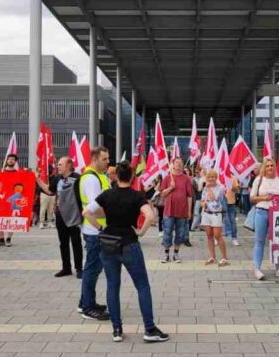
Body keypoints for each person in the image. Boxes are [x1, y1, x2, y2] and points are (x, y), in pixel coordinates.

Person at [83, 161, 169, 343]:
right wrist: (141, 232)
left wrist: (100, 227)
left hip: (108, 244)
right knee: (142, 286)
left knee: (112, 286)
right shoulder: (137, 196)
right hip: (129, 243)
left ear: (115, 176)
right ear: (132, 176)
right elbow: (151, 216)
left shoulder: (107, 195)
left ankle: (116, 329)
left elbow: (87, 212)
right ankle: (149, 328)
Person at [77, 146, 111, 321]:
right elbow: (93, 209)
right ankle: (88, 307)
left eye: (108, 158)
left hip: (95, 230)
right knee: (92, 268)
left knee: (94, 268)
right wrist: (114, 212)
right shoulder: (91, 179)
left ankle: (85, 302)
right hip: (95, 230)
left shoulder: (97, 176)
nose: (108, 162)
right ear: (95, 159)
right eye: (104, 159)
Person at [38, 157, 83, 278]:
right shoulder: (57, 179)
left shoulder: (78, 178)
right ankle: (66, 268)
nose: (58, 166)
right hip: (60, 216)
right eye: (58, 165)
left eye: (60, 164)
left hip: (74, 216)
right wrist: (38, 180)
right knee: (63, 243)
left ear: (69, 165)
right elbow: (50, 191)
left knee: (76, 242)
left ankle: (79, 269)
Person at [250, 158, 279, 280]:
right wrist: (263, 198)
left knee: (278, 241)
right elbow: (252, 198)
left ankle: (278, 268)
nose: (270, 168)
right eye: (267, 166)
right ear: (264, 168)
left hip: (277, 214)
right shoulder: (259, 180)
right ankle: (257, 268)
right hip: (261, 212)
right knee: (259, 241)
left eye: (272, 165)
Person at [160, 157, 193, 263]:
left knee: (180, 233)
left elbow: (189, 196)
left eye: (181, 163)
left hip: (182, 210)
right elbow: (162, 194)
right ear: (172, 164)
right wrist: (170, 188)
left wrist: (189, 211)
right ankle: (166, 254)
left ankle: (176, 254)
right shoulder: (167, 178)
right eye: (177, 163)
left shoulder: (186, 179)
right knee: (167, 232)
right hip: (169, 210)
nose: (179, 164)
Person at [200, 169, 229, 266]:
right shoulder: (205, 188)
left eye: (212, 177)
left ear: (216, 177)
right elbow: (202, 200)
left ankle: (224, 257)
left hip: (216, 213)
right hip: (206, 213)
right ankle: (212, 257)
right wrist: (203, 203)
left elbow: (214, 198)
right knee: (209, 235)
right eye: (208, 177)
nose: (210, 179)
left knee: (217, 235)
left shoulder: (221, 187)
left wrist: (208, 188)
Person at [0, 154, 19, 247]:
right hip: (1, 199)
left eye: (13, 159)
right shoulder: (0, 172)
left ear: (15, 161)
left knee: (12, 219)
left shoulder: (18, 173)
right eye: (9, 159)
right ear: (6, 160)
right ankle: (1, 239)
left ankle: (8, 238)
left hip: (13, 200)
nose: (10, 161)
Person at [223, 173, 240, 247]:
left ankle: (234, 238)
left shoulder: (233, 177)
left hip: (231, 202)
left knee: (232, 220)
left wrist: (232, 186)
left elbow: (236, 190)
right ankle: (217, 238)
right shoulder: (219, 175)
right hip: (220, 202)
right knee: (218, 222)